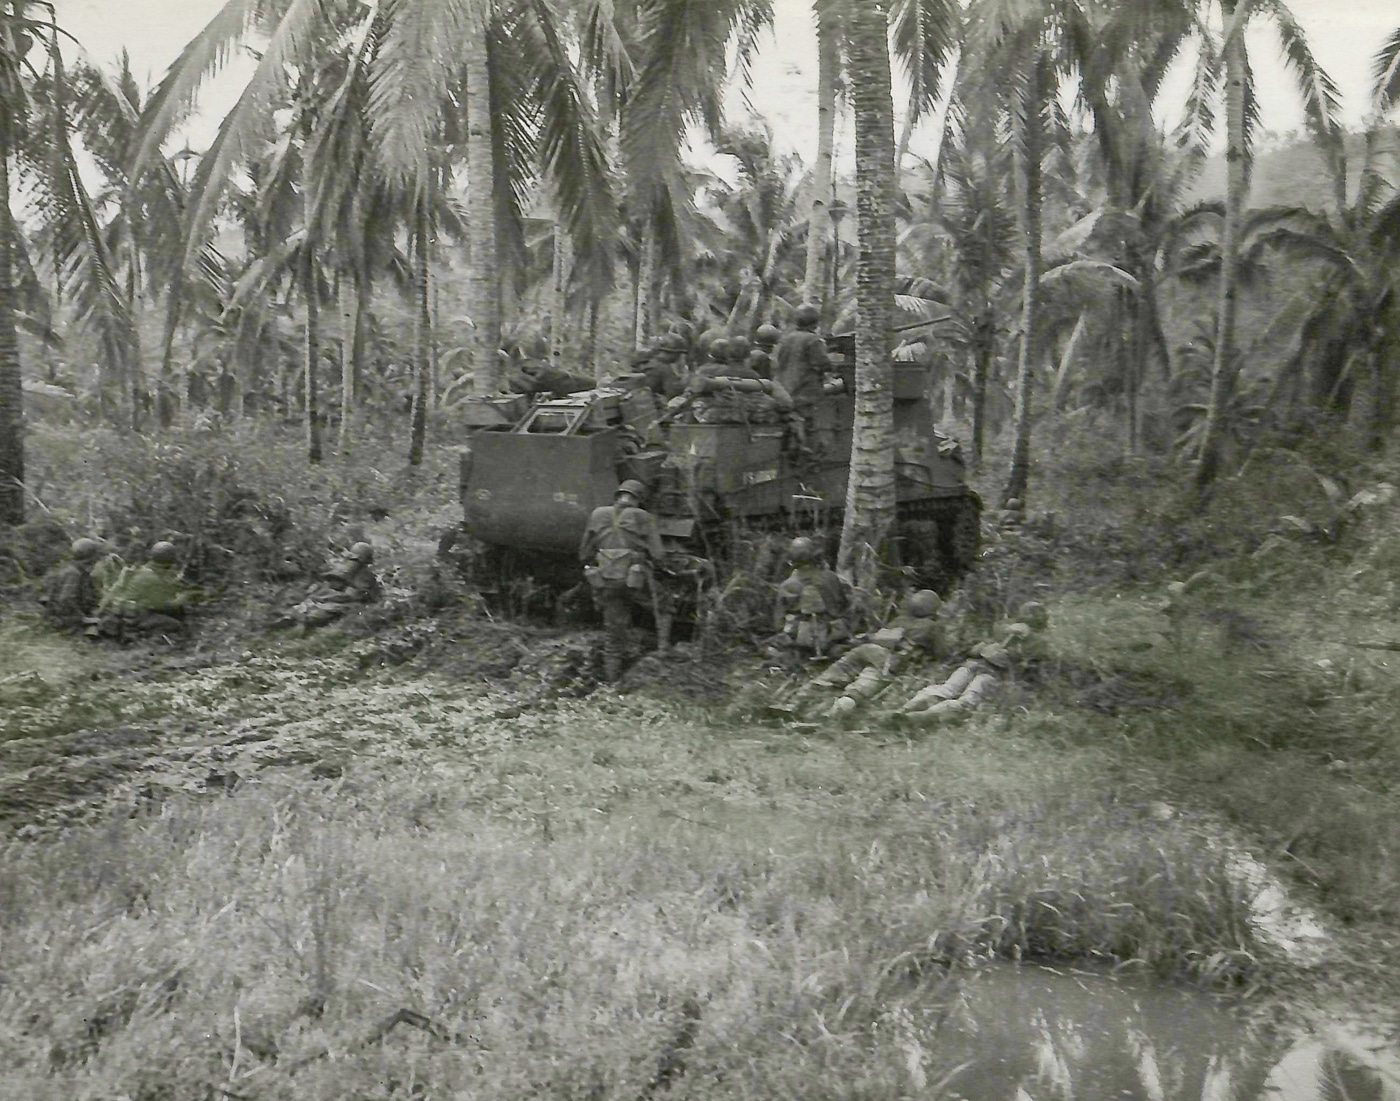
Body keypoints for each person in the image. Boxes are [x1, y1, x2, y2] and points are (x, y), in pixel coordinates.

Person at [781, 589, 944, 718]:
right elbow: (942, 653)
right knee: (864, 684)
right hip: (889, 657)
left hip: (867, 648)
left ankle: (794, 704)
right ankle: (833, 714)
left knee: (833, 674)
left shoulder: (899, 620)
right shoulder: (932, 626)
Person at [888, 601, 1049, 726]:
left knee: (945, 689)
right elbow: (1032, 669)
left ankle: (903, 711)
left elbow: (977, 647)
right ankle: (917, 717)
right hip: (993, 674)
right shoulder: (1038, 641)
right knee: (966, 701)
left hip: (973, 664)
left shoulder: (1002, 628)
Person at [579, 480, 672, 682]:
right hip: (634, 577)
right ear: (638, 500)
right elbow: (658, 554)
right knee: (663, 605)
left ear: (618, 496)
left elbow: (583, 552)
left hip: (606, 579)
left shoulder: (597, 514)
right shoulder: (643, 516)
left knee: (613, 633)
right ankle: (664, 650)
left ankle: (611, 680)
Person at [770, 536, 849, 661]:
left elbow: (778, 621)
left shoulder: (788, 585)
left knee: (771, 648)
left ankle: (798, 653)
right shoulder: (831, 577)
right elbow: (843, 606)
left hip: (800, 639)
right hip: (831, 636)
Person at [95, 540, 194, 640]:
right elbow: (164, 605)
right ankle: (143, 636)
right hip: (135, 618)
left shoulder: (142, 570)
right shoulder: (151, 578)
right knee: (176, 626)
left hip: (123, 613)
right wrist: (182, 598)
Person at [281, 541, 381, 632]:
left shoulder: (343, 567)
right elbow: (371, 595)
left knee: (320, 606)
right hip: (345, 600)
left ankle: (296, 616)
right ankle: (300, 617)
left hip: (337, 599)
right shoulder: (365, 574)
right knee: (328, 607)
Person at [773, 303, 831, 418]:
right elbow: (823, 364)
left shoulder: (786, 339)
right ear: (815, 323)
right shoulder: (813, 340)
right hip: (805, 393)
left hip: (784, 391)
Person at [40, 537, 103, 630]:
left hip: (68, 616)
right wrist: (83, 619)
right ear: (89, 559)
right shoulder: (73, 574)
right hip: (64, 620)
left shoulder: (78, 571)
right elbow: (66, 600)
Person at [639, 331, 690, 399]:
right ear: (672, 353)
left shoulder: (649, 362)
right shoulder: (664, 368)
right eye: (678, 353)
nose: (678, 357)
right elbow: (674, 393)